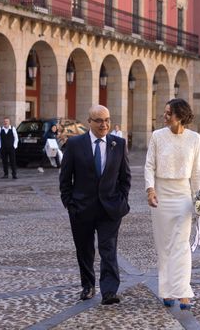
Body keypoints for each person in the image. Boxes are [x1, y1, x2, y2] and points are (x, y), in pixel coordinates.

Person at [59, 105, 131, 305]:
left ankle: (109, 291)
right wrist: (70, 204)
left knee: (108, 249)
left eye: (107, 120)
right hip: (81, 208)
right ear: (89, 122)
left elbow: (125, 178)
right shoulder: (74, 144)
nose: (104, 124)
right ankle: (88, 285)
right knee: (85, 250)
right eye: (99, 120)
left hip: (110, 208)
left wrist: (122, 200)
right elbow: (65, 179)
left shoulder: (119, 143)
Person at [145, 98, 200, 311]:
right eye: (165, 112)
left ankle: (183, 292)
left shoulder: (194, 139)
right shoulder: (157, 136)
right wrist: (150, 189)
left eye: (168, 113)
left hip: (183, 196)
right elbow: (149, 165)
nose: (164, 116)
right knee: (165, 247)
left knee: (181, 246)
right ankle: (167, 291)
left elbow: (197, 172)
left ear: (179, 116)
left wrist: (199, 200)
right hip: (161, 196)